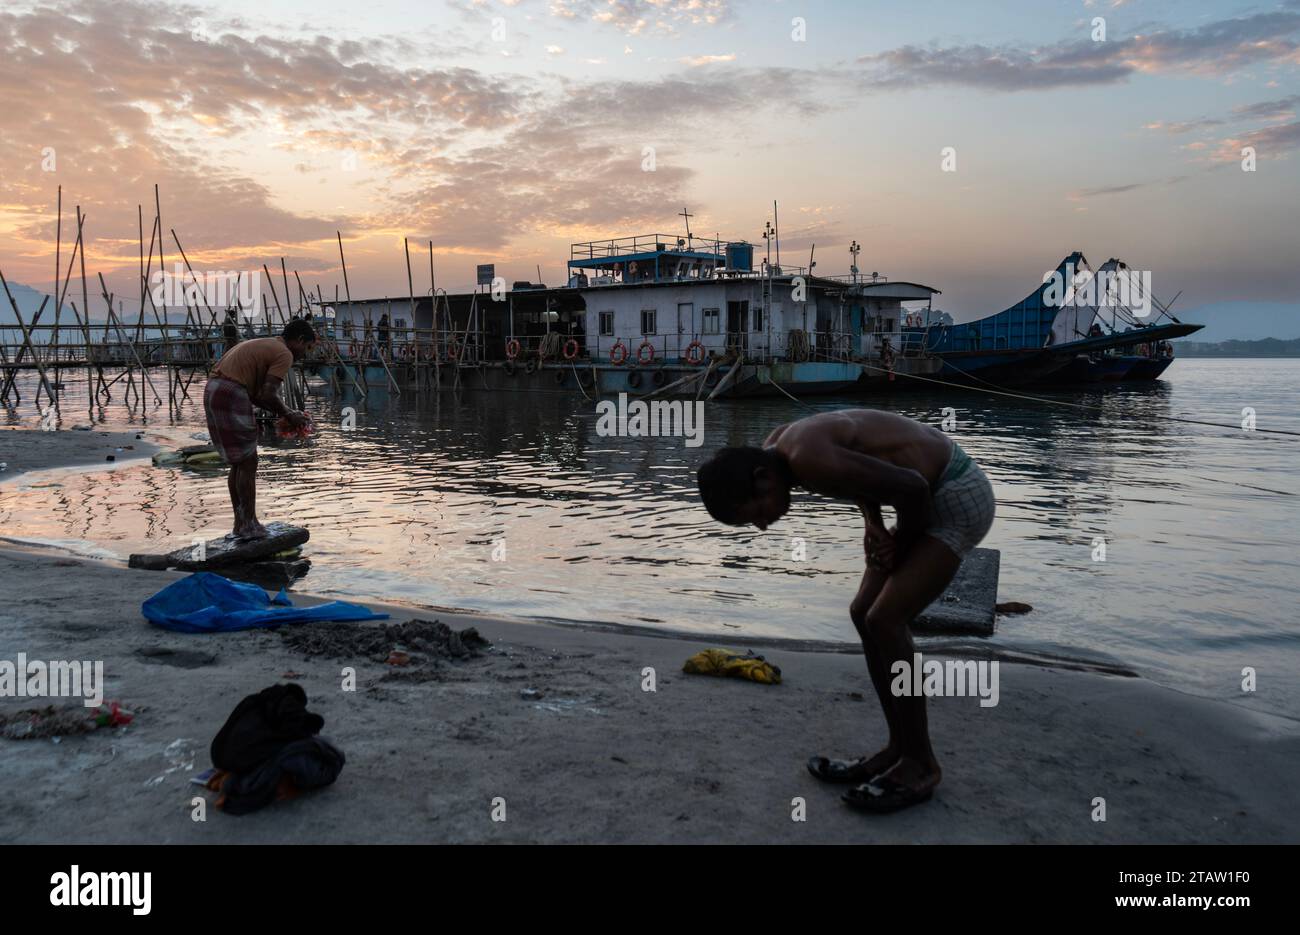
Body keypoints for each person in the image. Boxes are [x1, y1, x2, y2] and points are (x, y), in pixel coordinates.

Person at [696, 409, 996, 813]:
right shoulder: (779, 446)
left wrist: (899, 544)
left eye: (759, 513)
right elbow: (862, 472)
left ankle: (921, 763)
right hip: (921, 496)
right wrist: (873, 523)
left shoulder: (807, 460)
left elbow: (913, 489)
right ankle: (898, 748)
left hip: (955, 495)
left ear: (761, 479)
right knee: (863, 613)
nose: (765, 525)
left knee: (885, 620)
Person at [203, 319, 316, 540]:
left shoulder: (267, 344)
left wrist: (285, 413)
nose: (306, 354)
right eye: (307, 347)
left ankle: (242, 523)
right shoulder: (285, 353)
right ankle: (248, 525)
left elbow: (259, 396)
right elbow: (267, 394)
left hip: (215, 389)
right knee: (248, 461)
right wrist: (289, 414)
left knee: (240, 461)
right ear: (300, 340)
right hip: (231, 392)